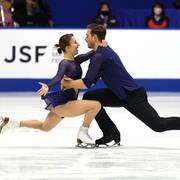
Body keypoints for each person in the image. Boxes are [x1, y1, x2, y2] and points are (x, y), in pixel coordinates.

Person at [61, 23, 180, 147]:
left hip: (132, 95)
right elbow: (91, 81)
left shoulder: (99, 56)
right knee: (90, 97)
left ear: (95, 37)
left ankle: (111, 134)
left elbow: (86, 83)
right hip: (119, 94)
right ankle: (110, 134)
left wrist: (67, 84)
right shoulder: (101, 52)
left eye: (87, 35)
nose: (85, 38)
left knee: (158, 125)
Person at [0, 33, 102, 147]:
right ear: (67, 48)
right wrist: (48, 86)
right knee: (96, 105)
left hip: (62, 104)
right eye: (75, 42)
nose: (78, 44)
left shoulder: (76, 61)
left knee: (45, 127)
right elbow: (58, 77)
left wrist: (100, 44)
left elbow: (92, 53)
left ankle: (13, 123)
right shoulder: (65, 63)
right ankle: (83, 133)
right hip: (65, 104)